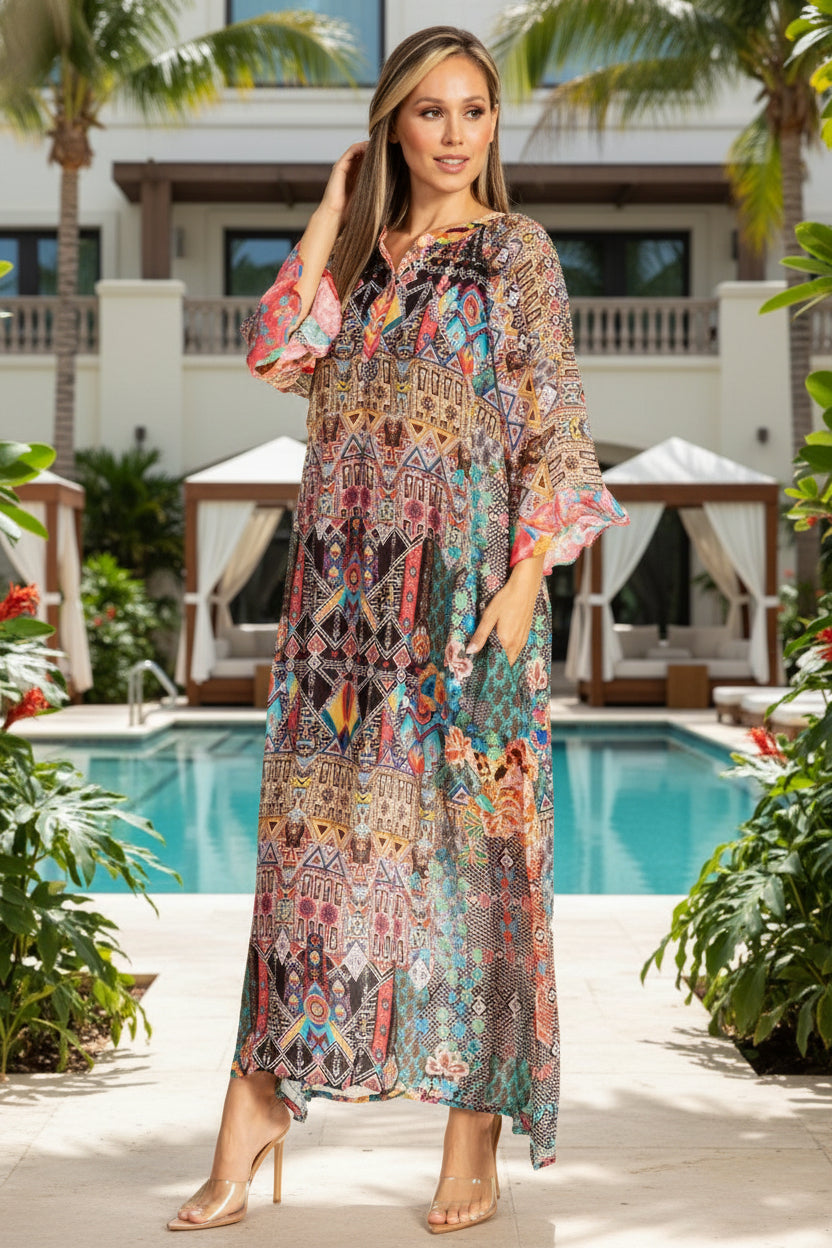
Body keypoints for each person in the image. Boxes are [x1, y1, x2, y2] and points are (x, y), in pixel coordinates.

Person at [167, 24, 628, 1236]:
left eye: (474, 111)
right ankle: (258, 1098)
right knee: (311, 857)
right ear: (392, 124)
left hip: (471, 592)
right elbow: (277, 353)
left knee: (475, 854)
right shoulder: (364, 263)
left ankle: (471, 1125)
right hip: (338, 607)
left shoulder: (514, 253)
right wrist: (331, 205)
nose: (454, 134)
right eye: (428, 112)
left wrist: (529, 582)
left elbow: (556, 427)